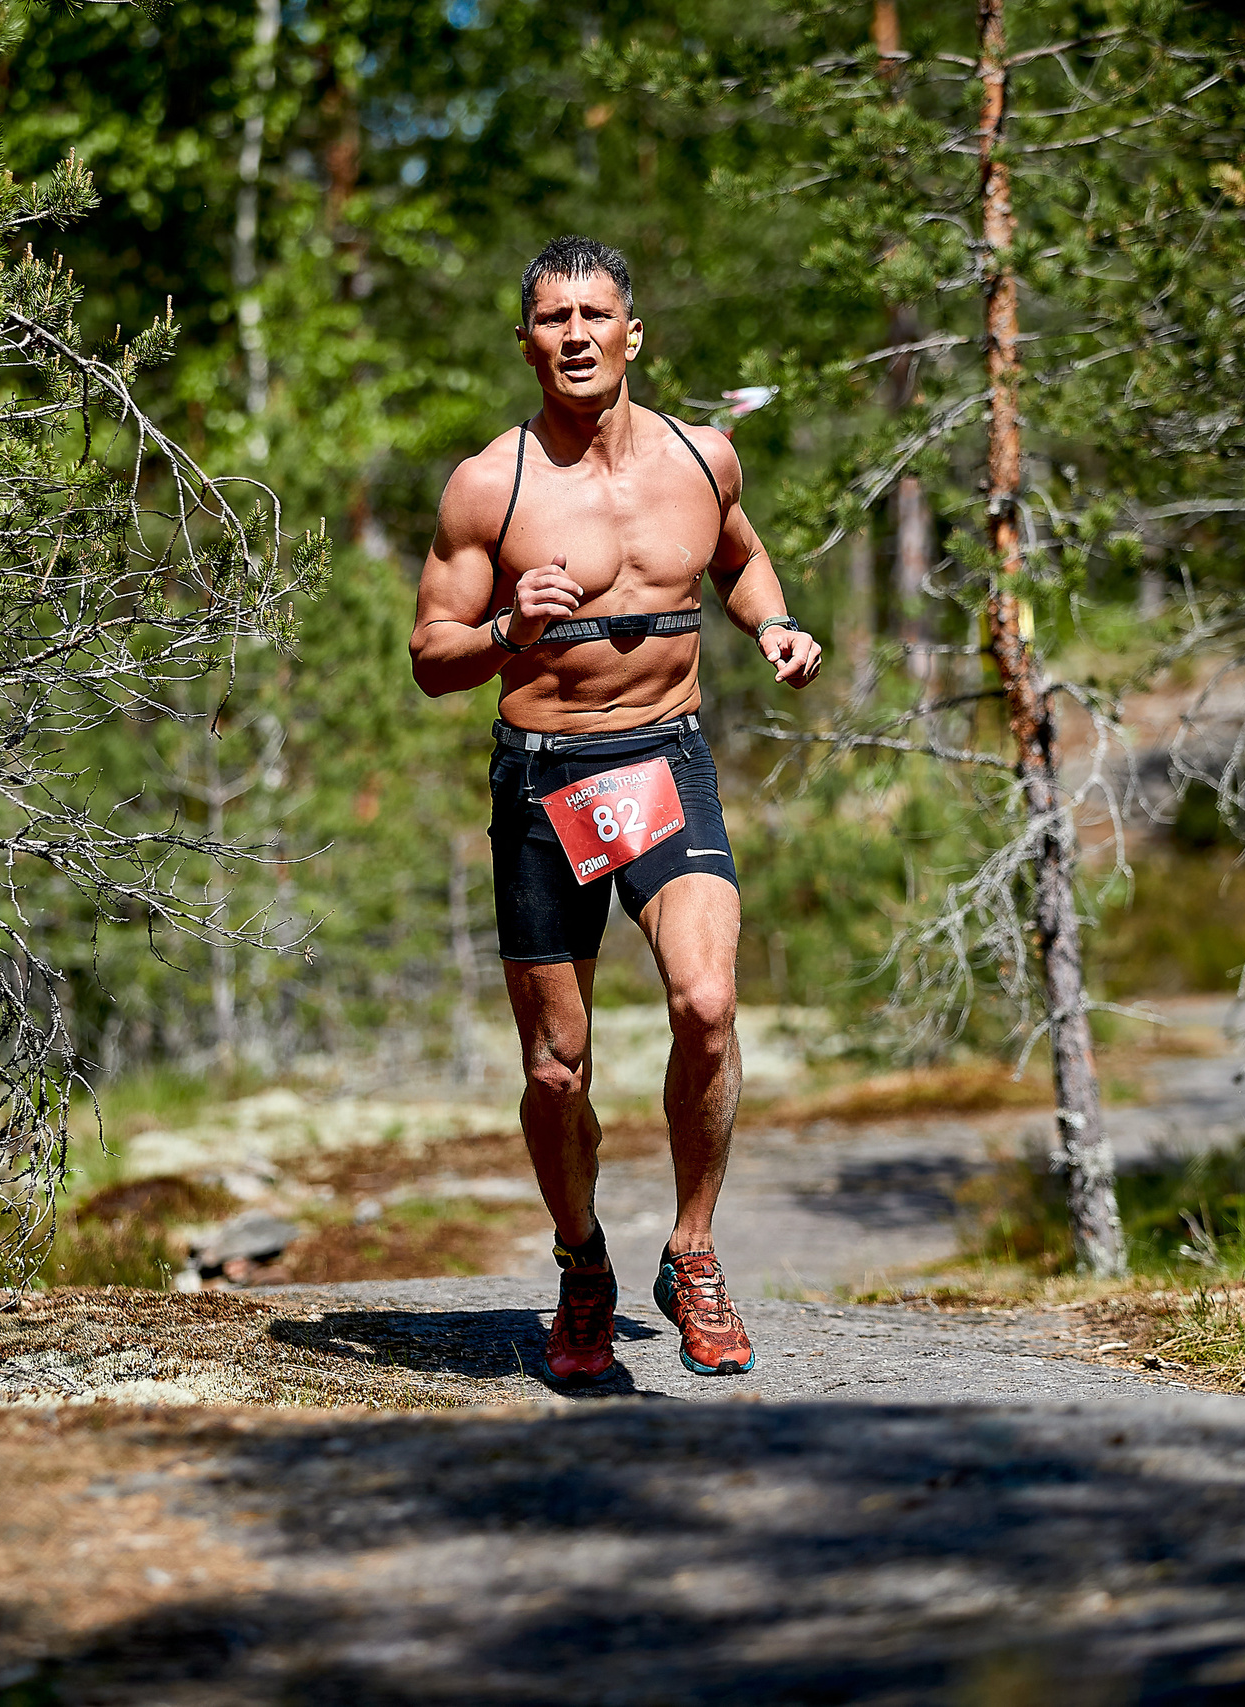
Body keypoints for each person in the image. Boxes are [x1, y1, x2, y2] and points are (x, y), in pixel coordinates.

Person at [408, 235, 822, 1383]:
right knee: (556, 1068)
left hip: (661, 764)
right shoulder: (492, 483)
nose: (577, 335)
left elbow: (739, 558)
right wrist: (506, 632)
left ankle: (689, 1252)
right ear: (528, 338)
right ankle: (582, 1262)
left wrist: (772, 626)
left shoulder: (703, 456)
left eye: (596, 314)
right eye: (553, 319)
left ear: (633, 332)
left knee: (705, 1002)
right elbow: (430, 654)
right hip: (544, 777)